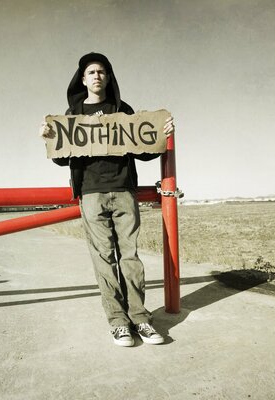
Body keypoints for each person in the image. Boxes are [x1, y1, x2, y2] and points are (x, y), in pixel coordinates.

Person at [40, 52, 175, 347]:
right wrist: (49, 137)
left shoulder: (121, 109)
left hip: (123, 189)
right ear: (83, 79)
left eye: (102, 71)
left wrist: (163, 135)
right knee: (104, 259)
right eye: (91, 72)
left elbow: (142, 147)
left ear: (108, 77)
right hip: (90, 193)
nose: (97, 76)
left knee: (130, 257)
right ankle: (118, 322)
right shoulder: (72, 114)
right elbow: (63, 159)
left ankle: (140, 318)